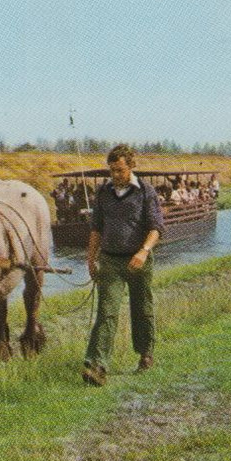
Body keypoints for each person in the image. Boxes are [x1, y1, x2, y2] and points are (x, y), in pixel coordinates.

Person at [82, 145, 164, 387]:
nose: (115, 175)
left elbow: (156, 228)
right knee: (106, 312)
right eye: (112, 170)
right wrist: (90, 258)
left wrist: (143, 251)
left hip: (138, 261)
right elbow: (96, 228)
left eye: (120, 170)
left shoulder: (146, 192)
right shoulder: (103, 193)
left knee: (142, 308)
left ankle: (145, 354)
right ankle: (98, 366)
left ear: (131, 166)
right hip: (110, 260)